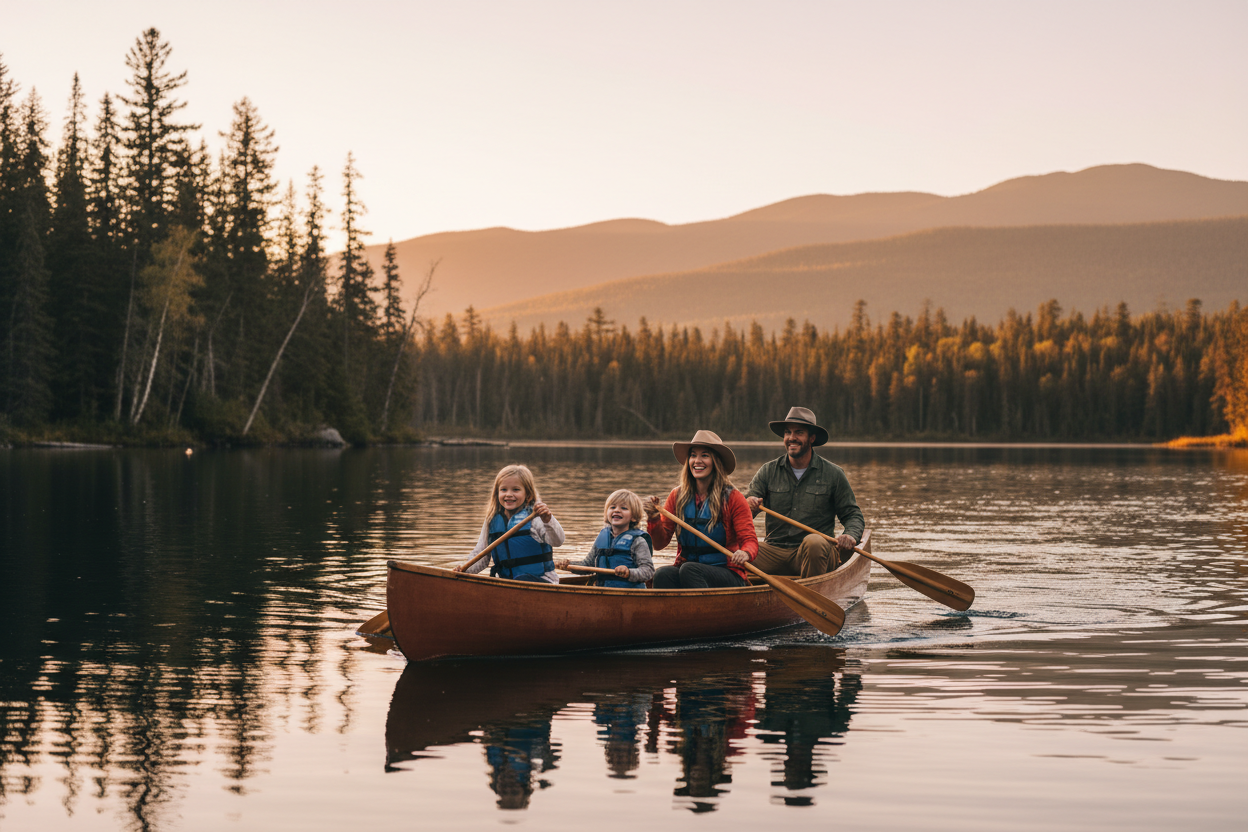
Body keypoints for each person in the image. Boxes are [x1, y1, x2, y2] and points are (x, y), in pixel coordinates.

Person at [746, 407, 865, 578]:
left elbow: (853, 515)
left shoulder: (834, 474)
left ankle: (811, 597)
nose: (791, 438)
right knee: (734, 550)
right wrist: (748, 505)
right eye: (788, 432)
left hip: (815, 553)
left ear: (812, 438)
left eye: (799, 432)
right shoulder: (768, 471)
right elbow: (741, 515)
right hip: (774, 551)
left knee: (814, 542)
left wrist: (850, 535)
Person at [644, 430, 758, 589]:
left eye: (705, 455)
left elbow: (750, 541)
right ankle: (671, 613)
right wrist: (654, 518)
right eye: (693, 455)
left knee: (690, 570)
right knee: (662, 574)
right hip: (688, 569)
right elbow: (659, 544)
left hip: (727, 573)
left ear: (716, 461)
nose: (697, 461)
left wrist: (745, 553)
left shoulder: (734, 498)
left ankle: (702, 612)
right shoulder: (677, 496)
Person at [454, 464, 565, 582]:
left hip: (542, 581)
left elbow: (558, 541)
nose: (509, 494)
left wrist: (548, 520)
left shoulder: (536, 517)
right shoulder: (491, 519)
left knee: (522, 579)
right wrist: (464, 571)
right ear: (497, 493)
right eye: (503, 489)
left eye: (516, 489)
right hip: (507, 582)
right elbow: (481, 556)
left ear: (528, 494)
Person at [555, 489, 655, 588]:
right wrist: (568, 565)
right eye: (612, 507)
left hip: (629, 593)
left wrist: (629, 572)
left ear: (633, 517)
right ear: (607, 514)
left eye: (624, 508)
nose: (617, 510)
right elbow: (588, 565)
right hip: (603, 591)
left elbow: (648, 571)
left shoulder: (638, 541)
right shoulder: (603, 537)